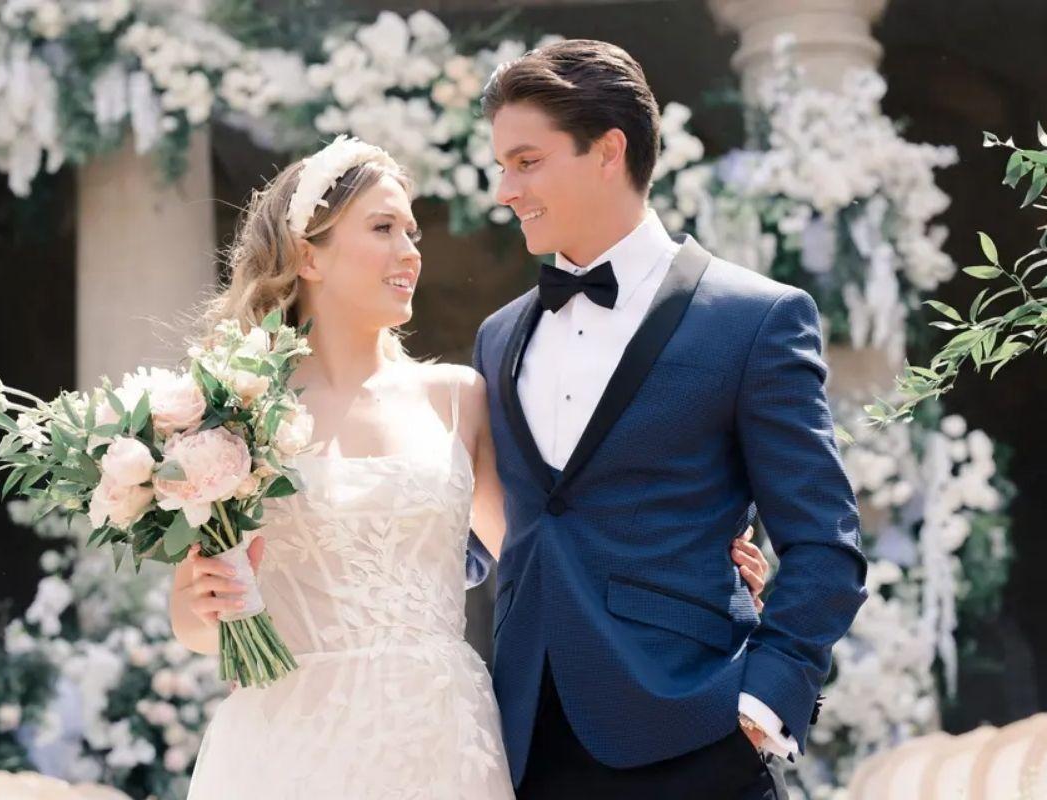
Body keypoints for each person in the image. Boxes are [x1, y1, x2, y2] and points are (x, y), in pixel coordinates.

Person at [169, 136, 773, 799]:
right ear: (309, 253)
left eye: (412, 232)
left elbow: (547, 550)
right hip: (290, 742)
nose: (410, 252)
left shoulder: (458, 398)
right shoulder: (232, 410)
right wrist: (199, 605)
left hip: (442, 738)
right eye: (383, 228)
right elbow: (202, 623)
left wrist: (694, 561)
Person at [469, 39, 869, 799]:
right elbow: (509, 529)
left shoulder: (756, 319)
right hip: (525, 745)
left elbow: (826, 542)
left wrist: (765, 695)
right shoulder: (498, 337)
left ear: (608, 151)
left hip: (695, 735)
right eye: (502, 166)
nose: (504, 190)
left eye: (526, 162)